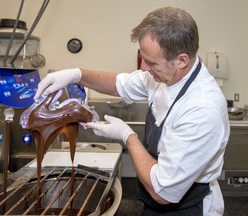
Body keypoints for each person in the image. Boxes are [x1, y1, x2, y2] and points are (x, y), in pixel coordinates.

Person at [34, 6, 230, 216]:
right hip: (156, 196)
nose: (144, 67)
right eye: (142, 57)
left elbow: (163, 191)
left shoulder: (201, 109)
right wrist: (76, 74)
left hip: (187, 206)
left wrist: (127, 136)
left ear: (182, 60)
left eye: (151, 62)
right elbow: (119, 83)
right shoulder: (164, 75)